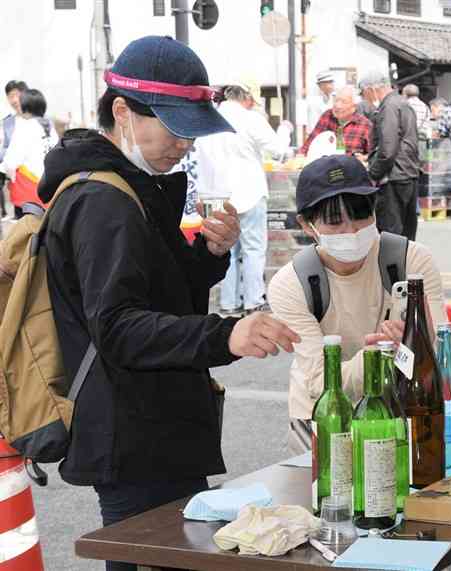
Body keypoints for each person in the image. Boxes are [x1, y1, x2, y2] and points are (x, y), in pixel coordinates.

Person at [36, 36, 300, 571]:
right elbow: (118, 327)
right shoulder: (103, 201)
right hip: (133, 433)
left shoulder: (131, 186)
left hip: (149, 426)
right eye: (175, 126)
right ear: (122, 112)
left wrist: (208, 253)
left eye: (192, 130)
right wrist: (225, 335)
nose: (184, 143)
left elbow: (162, 293)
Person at [267, 154, 446, 455]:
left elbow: (442, 352)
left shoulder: (411, 260)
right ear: (307, 225)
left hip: (399, 409)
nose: (351, 230)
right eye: (334, 221)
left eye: (361, 213)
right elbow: (320, 381)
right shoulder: (292, 283)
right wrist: (379, 355)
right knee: (327, 499)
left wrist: (422, 342)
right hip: (325, 418)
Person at [193, 83, 290, 315]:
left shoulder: (207, 118)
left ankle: (228, 302)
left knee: (226, 248)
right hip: (249, 192)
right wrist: (285, 130)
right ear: (246, 98)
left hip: (216, 196)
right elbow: (278, 151)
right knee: (253, 248)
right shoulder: (250, 119)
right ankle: (253, 300)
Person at [361, 71, 420, 240]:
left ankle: (394, 267)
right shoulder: (402, 102)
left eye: (364, 93)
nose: (365, 98)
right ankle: (407, 265)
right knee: (407, 233)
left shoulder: (388, 107)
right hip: (409, 173)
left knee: (390, 234)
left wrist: (373, 174)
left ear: (372, 89)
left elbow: (388, 148)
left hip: (394, 176)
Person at [0, 88, 59, 218]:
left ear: (24, 105)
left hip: (30, 190)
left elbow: (11, 161)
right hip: (50, 187)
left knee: (28, 231)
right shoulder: (48, 125)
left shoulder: (25, 126)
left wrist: (7, 173)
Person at [299, 86, 371, 157]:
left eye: (344, 102)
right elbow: (310, 142)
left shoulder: (365, 125)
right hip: (325, 166)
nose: (338, 105)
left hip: (348, 167)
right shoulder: (327, 116)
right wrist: (300, 155)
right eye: (336, 100)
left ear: (354, 106)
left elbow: (373, 156)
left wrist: (364, 158)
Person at [0, 80, 27, 220]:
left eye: (17, 94)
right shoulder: (7, 123)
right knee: (20, 222)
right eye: (10, 96)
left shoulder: (41, 120)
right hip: (17, 180)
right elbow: (4, 149)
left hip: (36, 179)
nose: (14, 99)